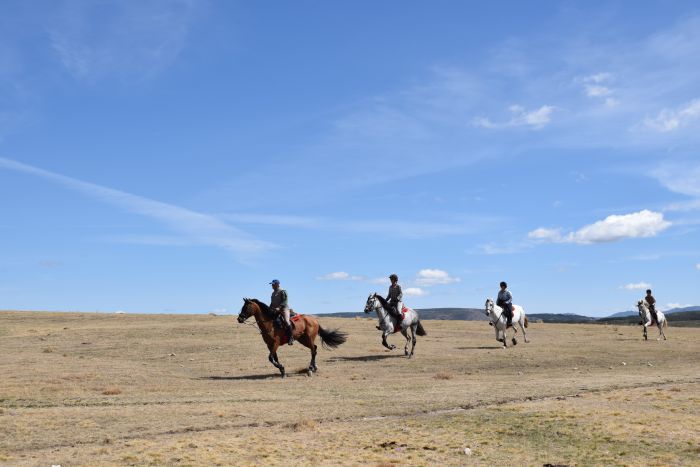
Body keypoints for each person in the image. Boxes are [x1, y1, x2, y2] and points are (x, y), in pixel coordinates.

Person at [270, 279, 293, 345]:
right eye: (272, 284)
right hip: (275, 309)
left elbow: (285, 301)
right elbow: (272, 302)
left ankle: (291, 337)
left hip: (284, 309)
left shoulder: (283, 291)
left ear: (277, 284)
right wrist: (269, 308)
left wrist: (279, 307)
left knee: (286, 320)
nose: (272, 285)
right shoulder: (273, 293)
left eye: (273, 284)